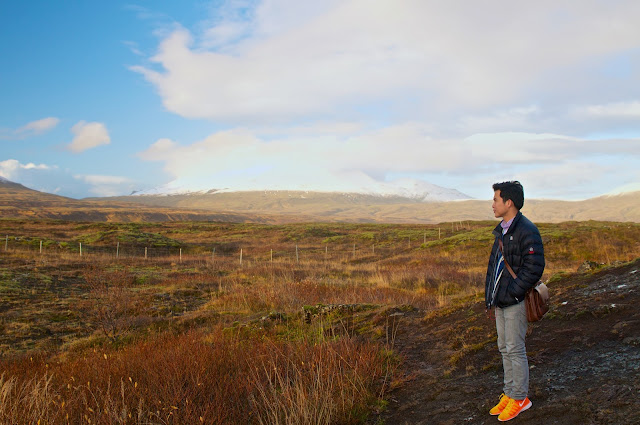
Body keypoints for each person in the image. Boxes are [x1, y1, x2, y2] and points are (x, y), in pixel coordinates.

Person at [485, 181, 545, 422]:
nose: (492, 204)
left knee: (515, 348)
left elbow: (534, 268)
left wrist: (513, 293)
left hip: (515, 301)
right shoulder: (502, 229)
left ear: (508, 202)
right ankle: (510, 393)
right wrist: (491, 297)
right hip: (500, 300)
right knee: (503, 347)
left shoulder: (526, 230)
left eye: (496, 200)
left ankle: (521, 398)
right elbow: (494, 267)